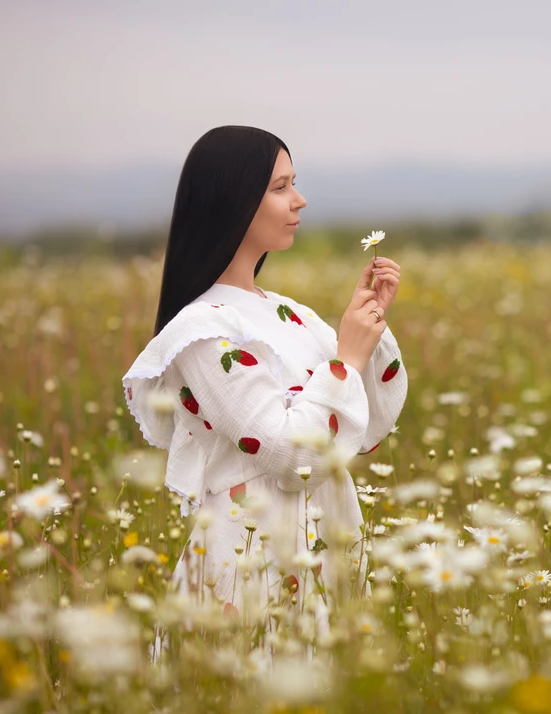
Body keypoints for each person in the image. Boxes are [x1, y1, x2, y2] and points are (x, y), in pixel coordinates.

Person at [121, 126, 407, 650]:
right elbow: (286, 453)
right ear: (233, 200)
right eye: (280, 187)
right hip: (251, 559)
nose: (299, 200)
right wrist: (345, 358)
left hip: (323, 550)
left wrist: (366, 333)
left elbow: (367, 430)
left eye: (293, 183)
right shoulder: (202, 331)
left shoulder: (289, 314)